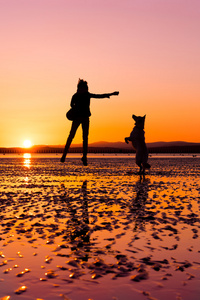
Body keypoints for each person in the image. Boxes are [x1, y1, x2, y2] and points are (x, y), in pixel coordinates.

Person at [61, 79, 119, 165]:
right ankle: (67, 155)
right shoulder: (79, 95)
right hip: (80, 118)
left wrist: (110, 94)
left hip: (83, 118)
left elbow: (98, 96)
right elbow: (98, 96)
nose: (85, 90)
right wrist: (111, 94)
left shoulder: (77, 95)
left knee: (80, 137)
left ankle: (81, 157)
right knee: (75, 136)